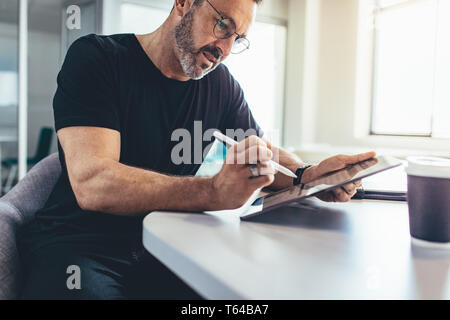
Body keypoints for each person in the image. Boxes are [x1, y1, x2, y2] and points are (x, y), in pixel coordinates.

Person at [18, 0, 375, 299]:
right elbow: (94, 184)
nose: (225, 49)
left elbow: (260, 153)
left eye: (238, 39)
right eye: (223, 25)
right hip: (80, 250)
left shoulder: (220, 85)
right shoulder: (97, 58)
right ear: (184, 2)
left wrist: (306, 174)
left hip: (167, 249)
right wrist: (212, 191)